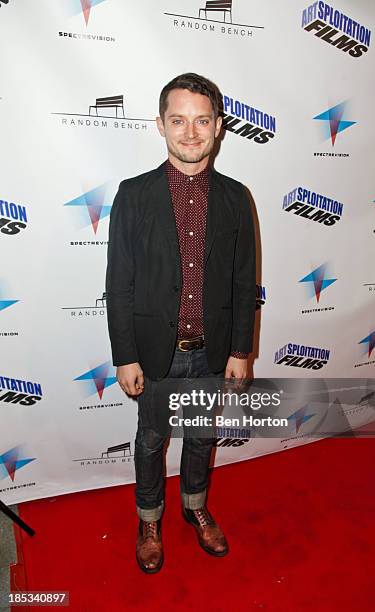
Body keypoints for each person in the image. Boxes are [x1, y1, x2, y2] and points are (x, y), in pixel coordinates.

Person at [106, 73, 256, 574]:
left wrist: (240, 350)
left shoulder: (237, 198)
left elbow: (242, 282)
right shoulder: (133, 194)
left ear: (218, 128)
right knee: (151, 438)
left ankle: (195, 507)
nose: (190, 133)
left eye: (201, 120)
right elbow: (120, 282)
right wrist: (125, 354)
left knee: (200, 436)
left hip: (211, 352)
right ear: (160, 125)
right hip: (154, 352)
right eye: (178, 120)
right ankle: (149, 520)